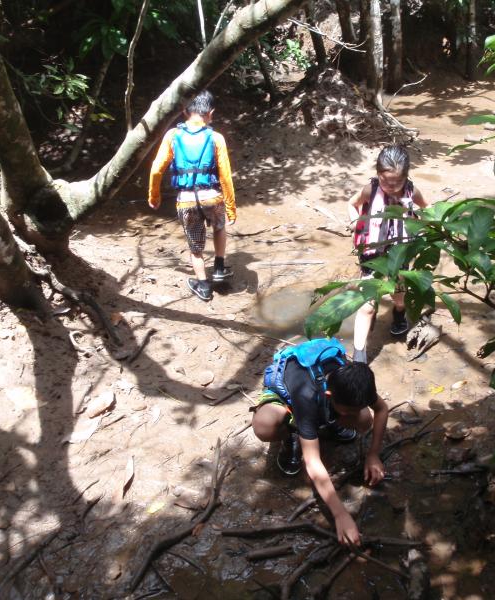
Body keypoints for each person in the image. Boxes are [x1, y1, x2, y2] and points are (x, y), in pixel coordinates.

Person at [251, 339, 389, 546]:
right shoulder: (306, 395)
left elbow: (382, 409)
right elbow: (313, 463)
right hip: (288, 394)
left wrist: (373, 454)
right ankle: (291, 434)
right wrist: (340, 514)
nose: (352, 412)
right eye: (346, 410)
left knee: (363, 420)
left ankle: (331, 421)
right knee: (265, 426)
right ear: (329, 395)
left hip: (326, 397)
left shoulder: (357, 383)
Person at [148, 91, 236, 302]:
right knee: (219, 227)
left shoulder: (172, 136)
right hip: (212, 196)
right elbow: (225, 175)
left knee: (195, 247)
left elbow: (156, 169)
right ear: (211, 113)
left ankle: (204, 287)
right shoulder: (216, 138)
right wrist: (231, 206)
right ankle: (219, 267)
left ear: (184, 111)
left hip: (186, 199)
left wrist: (154, 194)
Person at [347, 145, 429, 363]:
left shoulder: (413, 192)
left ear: (406, 177)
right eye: (385, 181)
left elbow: (427, 211)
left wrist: (419, 217)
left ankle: (399, 311)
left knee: (398, 295)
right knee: (367, 304)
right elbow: (352, 203)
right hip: (372, 250)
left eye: (397, 183)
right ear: (378, 175)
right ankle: (359, 357)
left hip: (400, 251)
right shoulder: (370, 189)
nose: (390, 187)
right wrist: (355, 220)